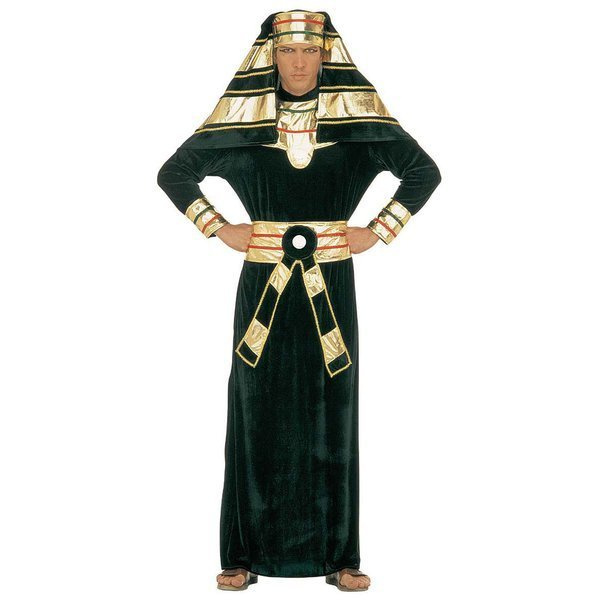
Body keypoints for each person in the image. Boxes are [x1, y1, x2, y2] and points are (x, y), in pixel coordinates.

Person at [157, 9, 441, 592]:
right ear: (271, 56)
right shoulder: (244, 123)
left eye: (310, 51)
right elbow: (174, 173)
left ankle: (340, 556)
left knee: (333, 410)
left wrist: (378, 230)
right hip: (262, 286)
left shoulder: (357, 122)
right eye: (288, 51)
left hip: (330, 288)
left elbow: (423, 172)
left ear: (326, 55)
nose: (299, 63)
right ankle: (240, 554)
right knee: (253, 408)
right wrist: (218, 226)